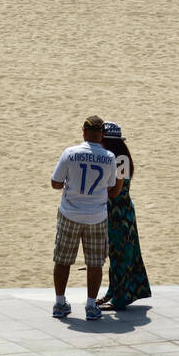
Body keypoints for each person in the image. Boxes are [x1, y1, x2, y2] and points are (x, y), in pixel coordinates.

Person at [50, 115, 119, 321]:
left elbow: (55, 183)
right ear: (102, 135)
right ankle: (91, 305)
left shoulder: (70, 153)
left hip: (69, 213)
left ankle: (60, 303)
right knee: (95, 262)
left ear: (83, 132)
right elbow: (110, 185)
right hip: (96, 216)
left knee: (62, 259)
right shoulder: (109, 157)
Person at [96, 122, 151, 312]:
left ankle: (119, 299)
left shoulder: (119, 160)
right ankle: (113, 292)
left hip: (119, 215)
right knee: (116, 254)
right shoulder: (119, 158)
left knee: (119, 256)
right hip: (120, 212)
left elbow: (115, 192)